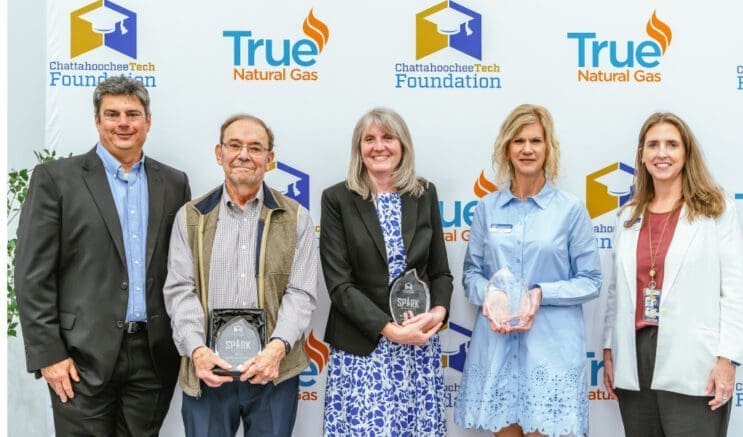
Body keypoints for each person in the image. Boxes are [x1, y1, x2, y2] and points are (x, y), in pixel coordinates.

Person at [14, 76, 191, 435]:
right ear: (97, 121)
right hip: (78, 357)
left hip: (153, 357)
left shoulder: (173, 183)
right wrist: (49, 355)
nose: (123, 122)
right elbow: (33, 275)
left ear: (148, 121)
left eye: (132, 114)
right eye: (112, 114)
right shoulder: (56, 179)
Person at [163, 114, 318, 437]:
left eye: (255, 147)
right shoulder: (191, 217)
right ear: (219, 153)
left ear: (269, 159)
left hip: (273, 374)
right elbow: (180, 291)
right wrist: (196, 351)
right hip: (209, 372)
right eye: (234, 145)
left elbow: (301, 293)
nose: (244, 155)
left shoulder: (296, 218)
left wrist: (276, 350)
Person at [602, 112, 743, 437]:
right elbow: (617, 292)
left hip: (694, 357)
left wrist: (727, 360)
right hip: (635, 351)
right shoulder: (628, 216)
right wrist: (608, 349)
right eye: (653, 145)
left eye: (672, 144)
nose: (662, 153)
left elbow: (735, 291)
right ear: (641, 155)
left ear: (686, 154)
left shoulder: (716, 211)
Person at [454, 104, 602, 437]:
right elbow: (471, 274)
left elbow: (591, 281)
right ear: (506, 148)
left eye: (536, 140)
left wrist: (541, 293)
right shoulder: (487, 208)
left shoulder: (571, 210)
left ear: (548, 148)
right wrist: (490, 295)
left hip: (550, 353)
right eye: (518, 140)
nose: (527, 148)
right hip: (497, 349)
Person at [319, 107, 453, 435]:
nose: (379, 146)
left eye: (388, 137)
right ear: (359, 149)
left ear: (402, 145)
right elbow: (340, 285)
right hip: (363, 349)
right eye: (369, 139)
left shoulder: (424, 193)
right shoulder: (337, 198)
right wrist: (390, 331)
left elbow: (440, 272)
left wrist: (437, 312)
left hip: (416, 350)